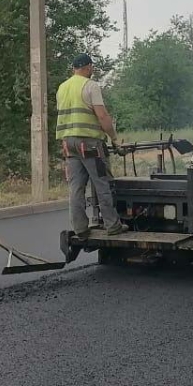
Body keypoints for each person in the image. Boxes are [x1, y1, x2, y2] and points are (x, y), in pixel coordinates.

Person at [56, 54, 126, 263]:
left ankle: (80, 228)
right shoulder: (91, 86)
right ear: (88, 67)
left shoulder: (62, 88)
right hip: (90, 144)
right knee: (102, 183)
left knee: (75, 187)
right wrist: (114, 138)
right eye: (91, 66)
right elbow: (102, 116)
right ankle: (113, 225)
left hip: (69, 143)